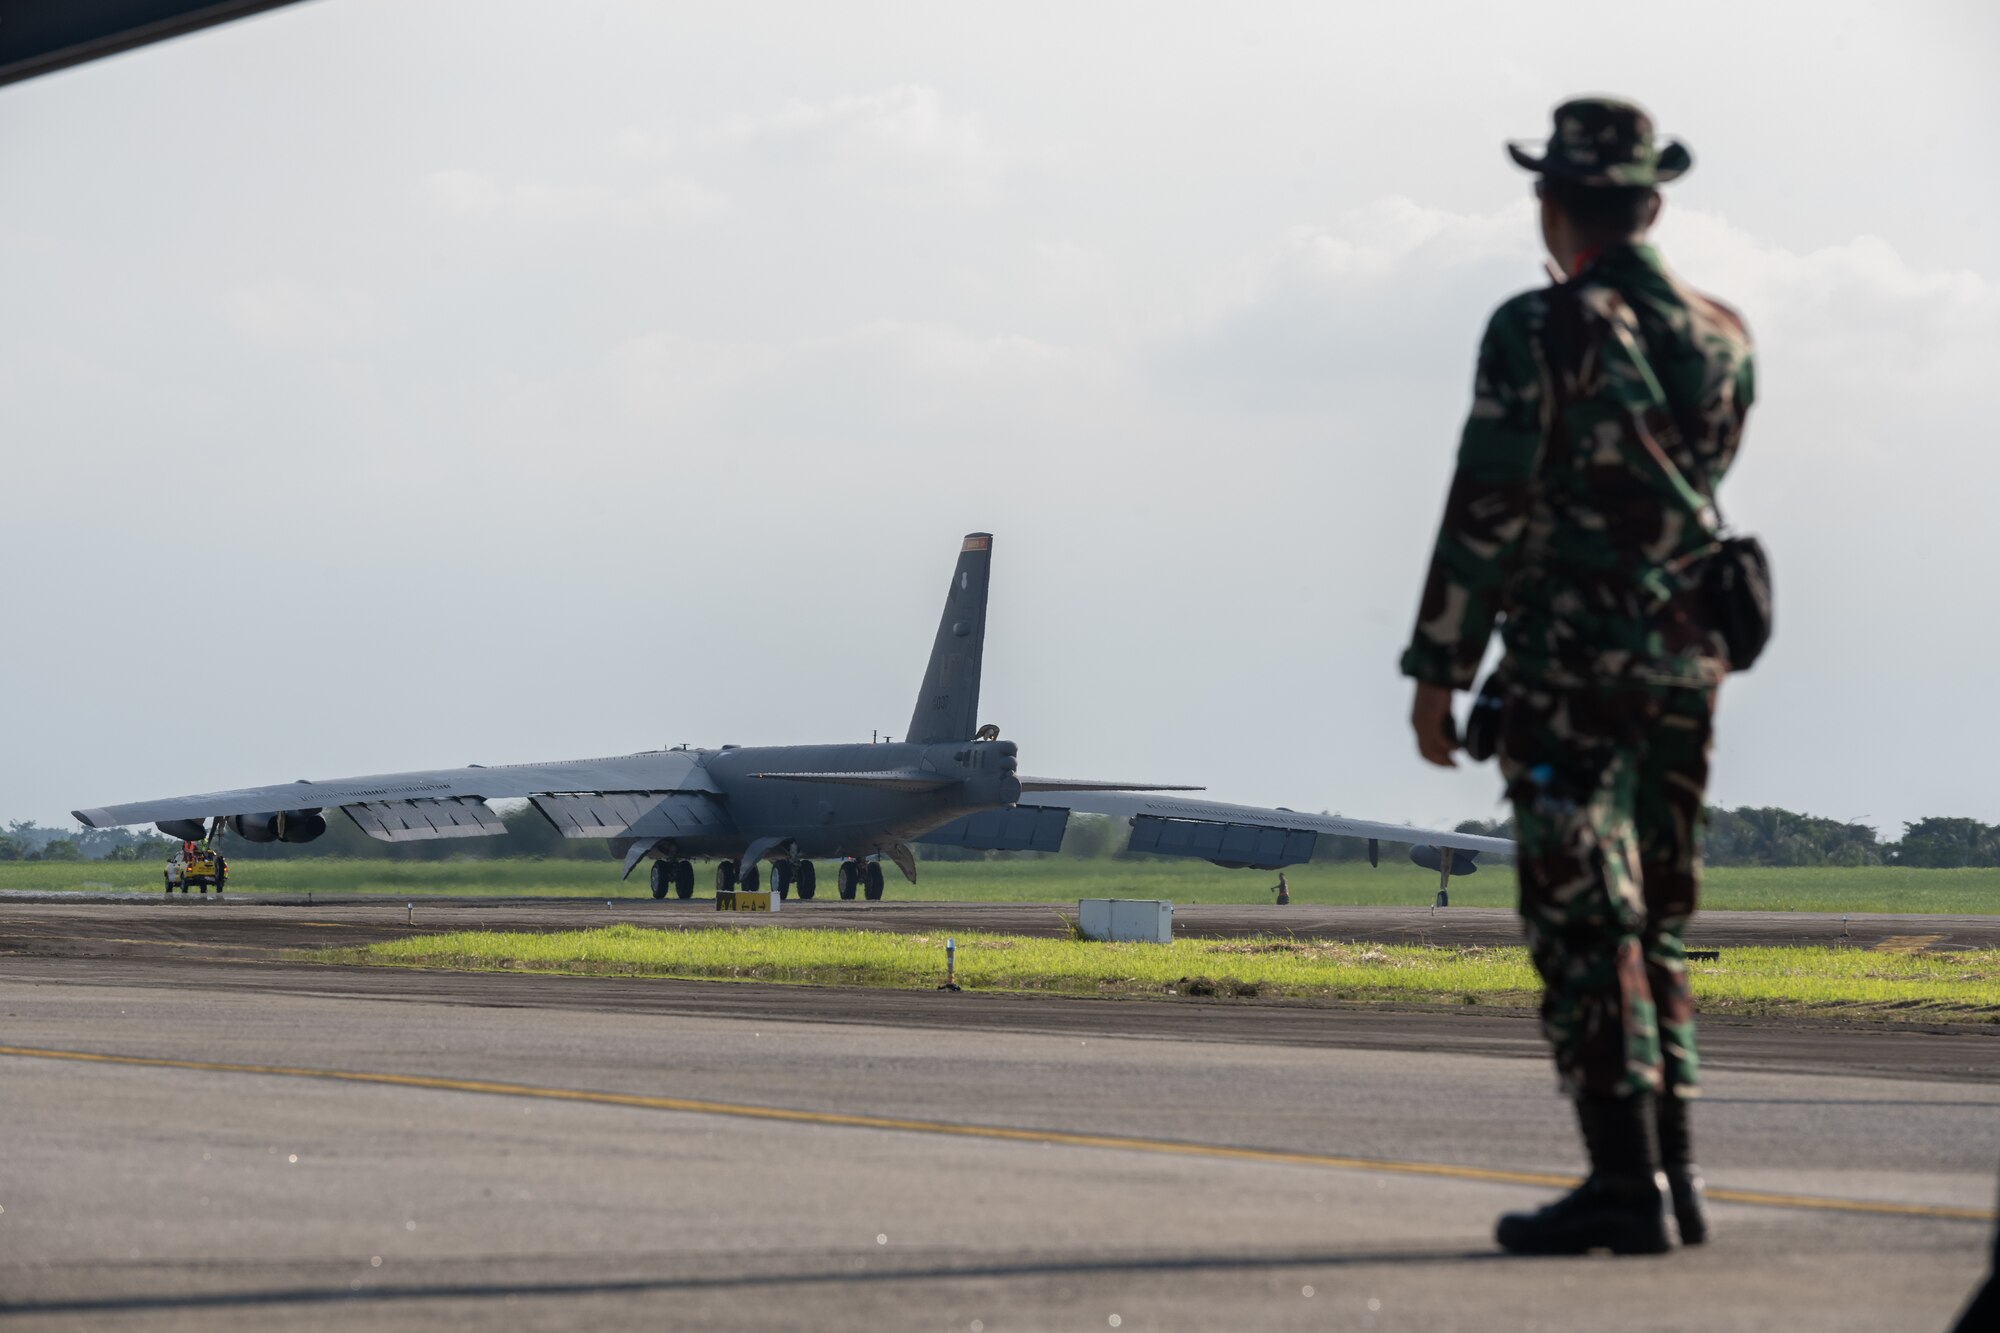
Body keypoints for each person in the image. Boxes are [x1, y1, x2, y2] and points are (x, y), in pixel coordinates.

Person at [1399, 97, 1755, 1255]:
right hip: (1685, 669)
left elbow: (1486, 504)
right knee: (1655, 914)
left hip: (1570, 673)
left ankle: (1619, 1182)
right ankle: (1674, 1179)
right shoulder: (1721, 333)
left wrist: (1439, 668)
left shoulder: (1538, 328)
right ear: (1650, 204)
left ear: (1553, 208)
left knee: (1580, 918)